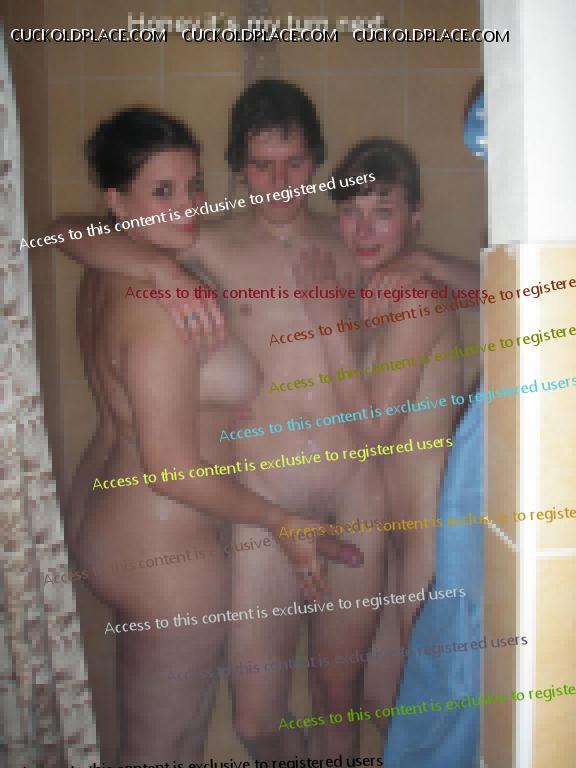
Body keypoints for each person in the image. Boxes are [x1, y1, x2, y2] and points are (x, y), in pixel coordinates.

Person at [65, 105, 345, 764]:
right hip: (164, 549)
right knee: (165, 748)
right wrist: (279, 520)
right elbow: (171, 469)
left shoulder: (114, 272)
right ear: (116, 201)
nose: (188, 205)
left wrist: (215, 413)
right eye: (162, 191)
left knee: (162, 742)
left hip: (115, 519)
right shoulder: (157, 303)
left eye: (193, 185)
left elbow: (139, 407)